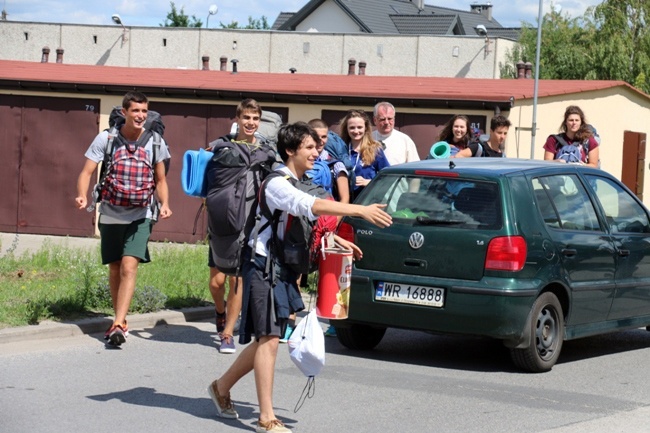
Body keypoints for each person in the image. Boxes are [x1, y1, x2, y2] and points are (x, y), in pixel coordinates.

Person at [208, 122, 392, 433]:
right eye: (309, 147)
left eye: (316, 147)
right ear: (290, 150)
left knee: (271, 337)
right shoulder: (278, 183)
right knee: (269, 339)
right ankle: (266, 418)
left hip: (282, 269)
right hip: (262, 265)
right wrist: (359, 211)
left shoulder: (299, 180)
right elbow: (310, 207)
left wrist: (333, 241)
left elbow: (300, 228)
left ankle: (221, 387)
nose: (316, 152)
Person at [75, 91, 172, 346]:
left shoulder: (156, 141)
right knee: (115, 266)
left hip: (142, 213)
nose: (140, 116)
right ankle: (120, 318)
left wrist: (165, 204)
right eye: (135, 111)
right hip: (110, 210)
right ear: (124, 112)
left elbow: (161, 180)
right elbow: (86, 171)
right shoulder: (106, 139)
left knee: (129, 265)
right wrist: (82, 196)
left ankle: (118, 322)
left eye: (144, 111)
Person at [206, 98, 276, 354]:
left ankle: (227, 333)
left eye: (255, 118)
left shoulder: (266, 151)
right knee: (217, 281)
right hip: (222, 221)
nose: (251, 122)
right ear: (237, 118)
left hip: (250, 224)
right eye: (246, 117)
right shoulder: (221, 147)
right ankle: (220, 311)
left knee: (237, 278)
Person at [340, 110, 390, 200]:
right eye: (352, 128)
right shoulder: (341, 149)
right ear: (346, 129)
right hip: (345, 201)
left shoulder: (375, 149)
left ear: (365, 128)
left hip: (367, 201)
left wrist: (368, 182)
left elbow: (388, 177)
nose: (356, 131)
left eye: (359, 127)